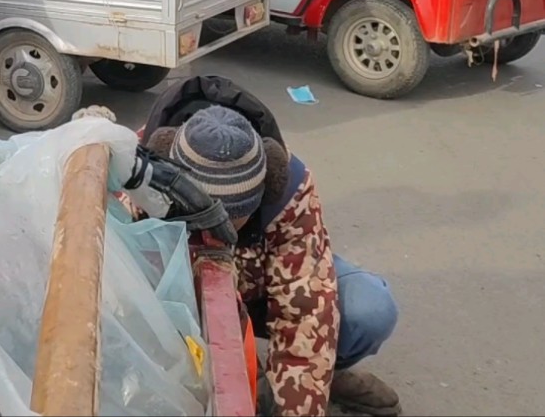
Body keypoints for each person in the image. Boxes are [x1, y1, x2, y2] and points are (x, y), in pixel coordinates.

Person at [135, 75, 400, 417]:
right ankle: (247, 376)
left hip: (260, 286)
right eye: (205, 218)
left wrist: (296, 405)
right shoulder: (136, 170)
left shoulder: (289, 189)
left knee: (370, 310)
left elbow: (304, 312)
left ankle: (323, 373)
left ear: (265, 189)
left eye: (234, 220)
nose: (219, 234)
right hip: (174, 305)